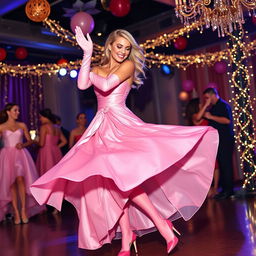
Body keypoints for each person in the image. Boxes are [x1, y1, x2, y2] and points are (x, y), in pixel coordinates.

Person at [31, 27, 219, 254]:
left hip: (121, 125)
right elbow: (82, 85)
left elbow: (107, 85)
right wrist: (87, 54)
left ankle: (159, 225)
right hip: (100, 127)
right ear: (110, 46)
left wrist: (94, 71)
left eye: (127, 48)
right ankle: (128, 235)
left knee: (122, 180)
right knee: (113, 183)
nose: (122, 51)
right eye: (119, 46)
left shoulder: (127, 66)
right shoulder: (99, 67)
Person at [0, 103, 44, 224]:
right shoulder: (1, 127)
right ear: (8, 112)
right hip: (7, 156)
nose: (18, 112)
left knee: (20, 179)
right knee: (11, 183)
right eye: (15, 110)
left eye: (18, 110)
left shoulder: (22, 125)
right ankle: (16, 212)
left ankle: (24, 210)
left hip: (20, 155)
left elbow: (30, 140)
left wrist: (23, 144)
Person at [203, 88, 234, 199]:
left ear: (212, 95)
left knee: (226, 165)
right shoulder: (214, 107)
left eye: (207, 97)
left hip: (225, 140)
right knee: (222, 165)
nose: (206, 100)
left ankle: (229, 191)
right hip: (219, 141)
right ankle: (225, 190)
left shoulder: (223, 105)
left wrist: (211, 117)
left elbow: (227, 121)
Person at [185, 98, 220, 197]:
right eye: (200, 103)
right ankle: (207, 190)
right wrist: (206, 104)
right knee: (205, 168)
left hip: (208, 143)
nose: (201, 104)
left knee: (215, 166)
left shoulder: (204, 114)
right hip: (201, 146)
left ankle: (216, 189)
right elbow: (198, 118)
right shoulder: (195, 116)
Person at [36, 108, 67, 176]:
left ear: (45, 117)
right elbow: (64, 141)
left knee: (47, 174)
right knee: (55, 174)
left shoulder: (44, 127)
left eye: (41, 117)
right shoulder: (57, 127)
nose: (40, 119)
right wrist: (55, 147)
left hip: (46, 152)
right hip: (56, 151)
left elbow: (41, 144)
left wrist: (34, 141)